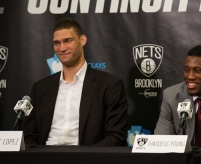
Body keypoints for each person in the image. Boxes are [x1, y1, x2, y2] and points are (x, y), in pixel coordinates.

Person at [24, 18, 128, 146]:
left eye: (68, 41)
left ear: (82, 40)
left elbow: (115, 136)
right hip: (45, 156)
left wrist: (84, 158)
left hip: (86, 158)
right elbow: (29, 137)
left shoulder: (110, 85)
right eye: (56, 43)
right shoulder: (40, 88)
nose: (62, 48)